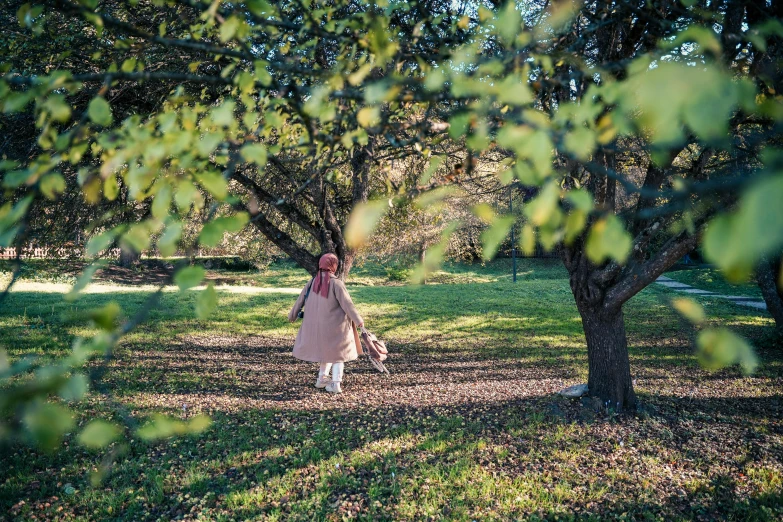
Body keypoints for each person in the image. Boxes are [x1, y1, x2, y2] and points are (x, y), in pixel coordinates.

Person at [288, 253, 364, 394]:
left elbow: (299, 301)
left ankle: (321, 379)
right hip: (336, 327)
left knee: (326, 352)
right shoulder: (336, 283)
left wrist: (292, 316)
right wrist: (359, 321)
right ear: (333, 265)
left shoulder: (312, 283)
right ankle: (335, 383)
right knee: (337, 354)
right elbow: (347, 304)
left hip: (317, 327)